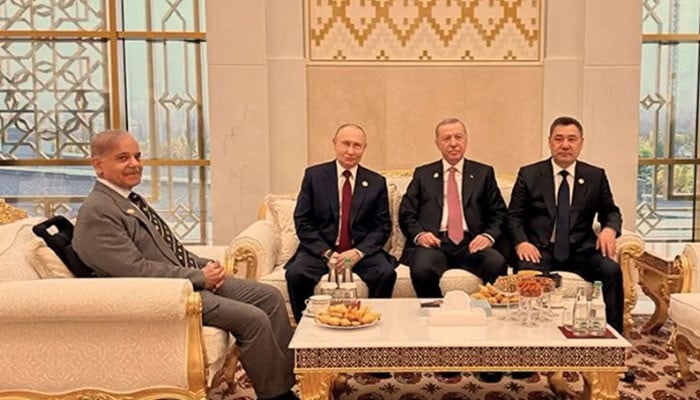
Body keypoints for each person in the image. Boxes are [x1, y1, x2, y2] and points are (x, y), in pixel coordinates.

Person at [73, 129, 298, 400]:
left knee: (269, 296)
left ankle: (288, 382)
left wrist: (205, 265)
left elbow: (168, 249)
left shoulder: (128, 199)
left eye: (137, 156)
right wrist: (199, 277)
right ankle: (277, 397)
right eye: (123, 158)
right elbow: (133, 271)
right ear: (98, 164)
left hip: (185, 281)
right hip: (165, 295)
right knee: (253, 319)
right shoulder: (98, 211)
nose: (134, 164)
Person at [507, 116, 624, 334]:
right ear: (549, 142)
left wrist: (609, 230)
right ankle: (531, 340)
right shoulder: (530, 174)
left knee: (611, 270)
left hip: (581, 250)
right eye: (559, 139)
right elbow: (514, 216)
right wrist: (521, 242)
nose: (565, 145)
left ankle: (613, 340)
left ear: (581, 143)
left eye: (572, 139)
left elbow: (611, 211)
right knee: (528, 275)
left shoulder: (595, 176)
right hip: (539, 250)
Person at [285, 123, 397, 323]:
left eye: (357, 145)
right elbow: (303, 220)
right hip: (320, 251)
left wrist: (357, 252)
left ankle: (372, 324)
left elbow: (382, 226)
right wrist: (327, 253)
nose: (351, 151)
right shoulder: (314, 176)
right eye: (346, 144)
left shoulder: (376, 182)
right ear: (334, 144)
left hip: (360, 252)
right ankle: (306, 328)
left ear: (364, 148)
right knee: (296, 274)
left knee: (385, 273)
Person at [399, 118, 508, 298]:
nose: (453, 143)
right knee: (422, 269)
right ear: (437, 143)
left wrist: (488, 236)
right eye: (446, 138)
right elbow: (406, 213)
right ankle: (435, 310)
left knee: (495, 263)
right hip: (435, 243)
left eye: (458, 137)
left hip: (472, 243)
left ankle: (484, 310)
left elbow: (499, 213)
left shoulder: (483, 173)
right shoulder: (423, 174)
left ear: (466, 139)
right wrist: (420, 235)